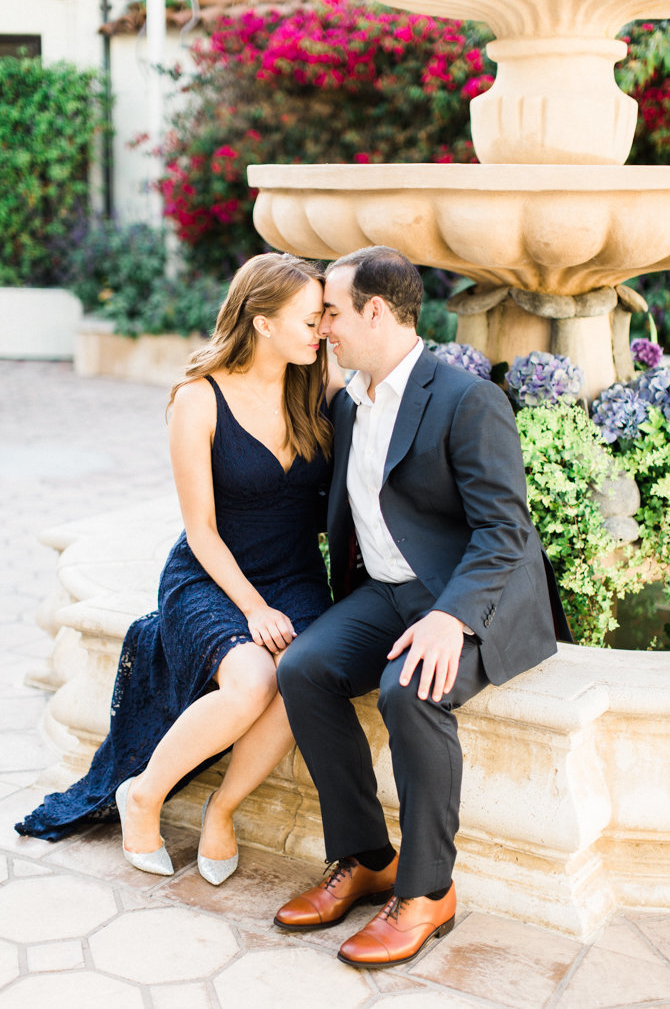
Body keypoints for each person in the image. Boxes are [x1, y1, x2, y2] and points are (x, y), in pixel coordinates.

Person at [274, 246, 572, 968]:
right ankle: (366, 856)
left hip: (473, 599)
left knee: (410, 692)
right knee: (304, 670)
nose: (322, 331)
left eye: (332, 314)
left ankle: (427, 890)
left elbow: (505, 531)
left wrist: (449, 616)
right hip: (385, 593)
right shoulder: (347, 403)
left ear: (375, 312)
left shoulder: (466, 399)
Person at [16, 252, 342, 885]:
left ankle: (223, 811)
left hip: (296, 576)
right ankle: (142, 795)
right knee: (250, 679)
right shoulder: (199, 399)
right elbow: (202, 530)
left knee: (299, 676)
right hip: (210, 575)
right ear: (262, 322)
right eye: (309, 319)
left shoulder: (318, 387)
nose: (321, 331)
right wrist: (253, 608)